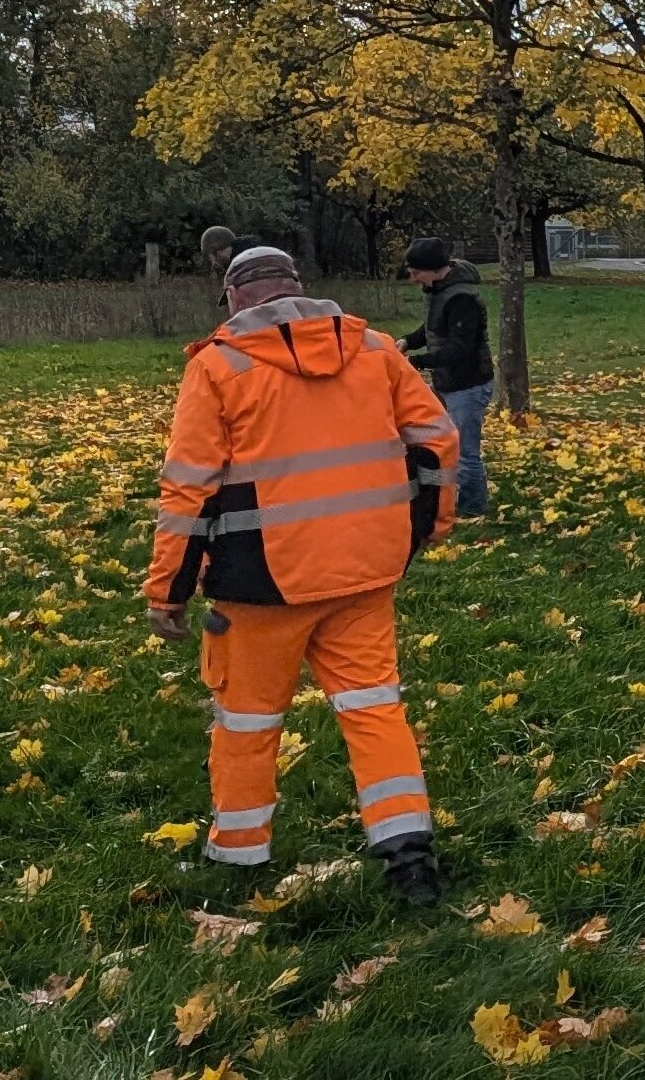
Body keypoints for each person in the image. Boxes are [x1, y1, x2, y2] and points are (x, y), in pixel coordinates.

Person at [149, 246, 460, 904]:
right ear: (298, 289)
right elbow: (438, 439)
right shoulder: (373, 349)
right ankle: (409, 857)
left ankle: (238, 856)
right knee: (375, 710)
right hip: (365, 571)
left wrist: (167, 590)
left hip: (259, 582)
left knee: (247, 721)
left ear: (233, 298)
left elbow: (187, 490)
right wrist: (424, 527)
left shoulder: (217, 367)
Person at [401, 237, 495, 519]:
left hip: (468, 384)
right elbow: (433, 326)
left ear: (434, 269)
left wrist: (416, 362)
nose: (414, 279)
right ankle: (452, 499)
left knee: (466, 453)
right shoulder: (440, 292)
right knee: (447, 445)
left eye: (417, 273)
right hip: (448, 382)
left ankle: (472, 510)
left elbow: (459, 350)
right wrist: (408, 341)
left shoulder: (462, 298)